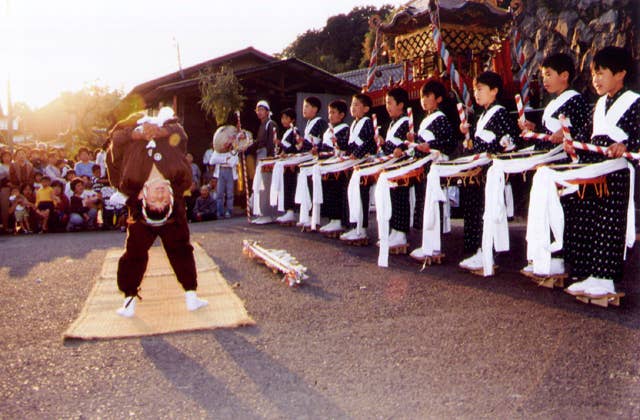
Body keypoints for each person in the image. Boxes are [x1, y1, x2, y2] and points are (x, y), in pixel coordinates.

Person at [106, 107, 207, 317]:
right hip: (164, 125)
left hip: (134, 126)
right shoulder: (181, 179)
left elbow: (115, 138)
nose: (160, 196)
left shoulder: (131, 181)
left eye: (156, 201)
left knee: (136, 252)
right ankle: (191, 296)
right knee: (178, 249)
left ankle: (129, 301)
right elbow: (180, 132)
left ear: (144, 197)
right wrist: (161, 131)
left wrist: (137, 133)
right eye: (164, 201)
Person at [564, 46, 640, 298]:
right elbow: (586, 137)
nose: (595, 79)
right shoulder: (598, 106)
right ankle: (590, 274)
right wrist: (572, 144)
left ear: (620, 74)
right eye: (593, 73)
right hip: (593, 171)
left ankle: (605, 278)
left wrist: (627, 145)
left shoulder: (634, 103)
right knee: (587, 221)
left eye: (601, 72)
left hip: (616, 174)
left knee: (609, 223)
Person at [457, 71, 519, 271]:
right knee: (477, 213)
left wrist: (491, 152)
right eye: (475, 89)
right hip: (480, 171)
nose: (476, 93)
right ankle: (481, 251)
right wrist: (467, 136)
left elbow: (508, 142)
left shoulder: (500, 113)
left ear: (494, 91)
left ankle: (488, 253)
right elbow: (474, 145)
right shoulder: (482, 115)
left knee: (488, 212)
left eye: (480, 89)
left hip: (490, 171)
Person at [409, 80, 458, 259]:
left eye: (427, 96)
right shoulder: (426, 119)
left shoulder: (441, 119)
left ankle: (433, 245)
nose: (423, 100)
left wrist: (429, 145)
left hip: (434, 166)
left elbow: (449, 143)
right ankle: (427, 242)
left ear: (438, 99)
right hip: (425, 167)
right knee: (425, 203)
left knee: (432, 204)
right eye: (422, 96)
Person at [374, 87, 411, 248]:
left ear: (400, 105)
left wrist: (400, 148)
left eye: (390, 103)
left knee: (401, 199)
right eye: (386, 103)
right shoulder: (392, 123)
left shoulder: (405, 122)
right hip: (391, 167)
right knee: (393, 199)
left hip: (401, 167)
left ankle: (401, 233)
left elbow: (407, 143)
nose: (387, 106)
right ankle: (394, 231)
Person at [340, 93, 377, 242]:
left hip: (363, 162)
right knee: (352, 193)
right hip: (354, 162)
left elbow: (369, 142)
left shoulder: (367, 122)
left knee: (361, 195)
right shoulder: (353, 124)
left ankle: (361, 229)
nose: (352, 107)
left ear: (366, 109)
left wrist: (357, 153)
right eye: (352, 104)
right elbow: (349, 144)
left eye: (356, 104)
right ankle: (354, 226)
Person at [317, 100, 350, 234]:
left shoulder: (344, 128)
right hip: (326, 163)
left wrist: (337, 145)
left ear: (341, 115)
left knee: (336, 191)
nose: (330, 115)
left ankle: (338, 220)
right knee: (327, 191)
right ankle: (331, 219)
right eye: (329, 112)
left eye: (333, 112)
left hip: (337, 164)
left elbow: (342, 146)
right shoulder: (328, 129)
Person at [246, 100, 278, 224]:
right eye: (257, 110)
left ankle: (268, 214)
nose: (259, 112)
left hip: (266, 156)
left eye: (261, 110)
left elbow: (271, 142)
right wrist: (246, 148)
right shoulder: (262, 125)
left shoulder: (270, 124)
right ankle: (262, 212)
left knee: (266, 184)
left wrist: (270, 158)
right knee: (260, 184)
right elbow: (258, 143)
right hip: (260, 155)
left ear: (267, 111)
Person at [274, 108, 301, 224]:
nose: (283, 120)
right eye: (282, 118)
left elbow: (296, 148)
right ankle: (287, 210)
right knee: (285, 186)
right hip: (285, 164)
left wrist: (281, 144)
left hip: (291, 164)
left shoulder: (295, 131)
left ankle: (291, 211)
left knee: (290, 186)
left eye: (286, 118)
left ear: (292, 120)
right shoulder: (287, 132)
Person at [209, 126, 239, 219]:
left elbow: (233, 162)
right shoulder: (218, 150)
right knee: (220, 193)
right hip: (221, 171)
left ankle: (229, 211)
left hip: (229, 172)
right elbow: (212, 161)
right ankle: (220, 212)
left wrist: (223, 160)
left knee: (230, 193)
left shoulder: (234, 151)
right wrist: (225, 159)